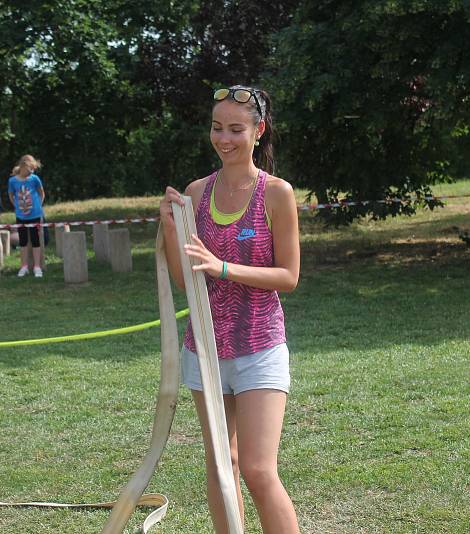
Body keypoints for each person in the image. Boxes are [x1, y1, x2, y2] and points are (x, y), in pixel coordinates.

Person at [159, 85, 300, 533]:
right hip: (204, 349)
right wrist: (169, 226)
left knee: (258, 470)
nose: (225, 138)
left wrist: (223, 267)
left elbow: (288, 277)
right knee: (224, 464)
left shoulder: (276, 193)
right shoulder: (196, 192)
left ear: (258, 131)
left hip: (260, 347)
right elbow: (185, 279)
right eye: (217, 128)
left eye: (236, 129)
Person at [8, 154, 46, 277]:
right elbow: (11, 195)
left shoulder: (35, 179)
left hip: (35, 215)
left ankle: (37, 267)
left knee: (35, 241)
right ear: (24, 165)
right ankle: (24, 266)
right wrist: (17, 207)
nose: (33, 171)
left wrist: (38, 207)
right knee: (23, 241)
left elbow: (41, 193)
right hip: (21, 216)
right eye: (31, 168)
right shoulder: (12, 180)